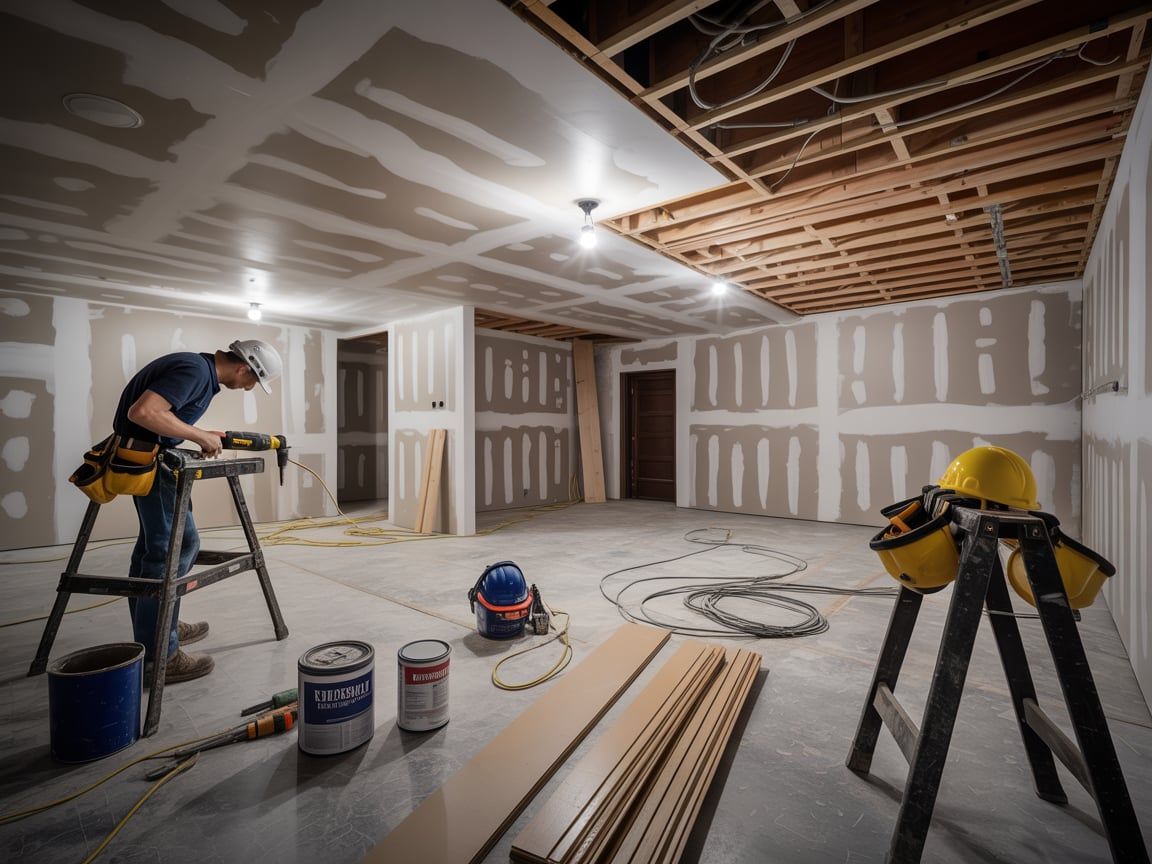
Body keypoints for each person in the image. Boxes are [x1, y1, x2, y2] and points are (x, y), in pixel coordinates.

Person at [115, 339, 284, 683]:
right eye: (253, 381)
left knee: (153, 552)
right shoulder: (195, 370)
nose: (249, 388)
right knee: (174, 549)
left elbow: (159, 417)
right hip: (152, 462)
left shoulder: (199, 371)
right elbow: (144, 412)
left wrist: (197, 434)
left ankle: (158, 629)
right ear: (242, 367)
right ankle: (160, 654)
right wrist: (197, 435)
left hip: (149, 459)